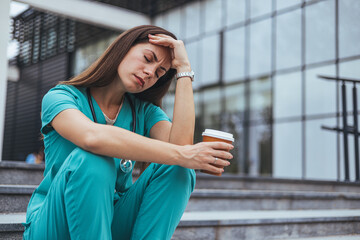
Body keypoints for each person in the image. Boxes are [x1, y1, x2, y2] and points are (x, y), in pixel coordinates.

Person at [22, 25, 233, 240]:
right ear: (123, 49)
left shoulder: (144, 112)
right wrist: (184, 155)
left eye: (160, 73)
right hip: (55, 223)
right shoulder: (61, 97)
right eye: (148, 58)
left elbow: (181, 152)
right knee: (92, 159)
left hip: (114, 219)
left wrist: (184, 69)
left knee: (179, 170)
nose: (151, 73)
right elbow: (92, 137)